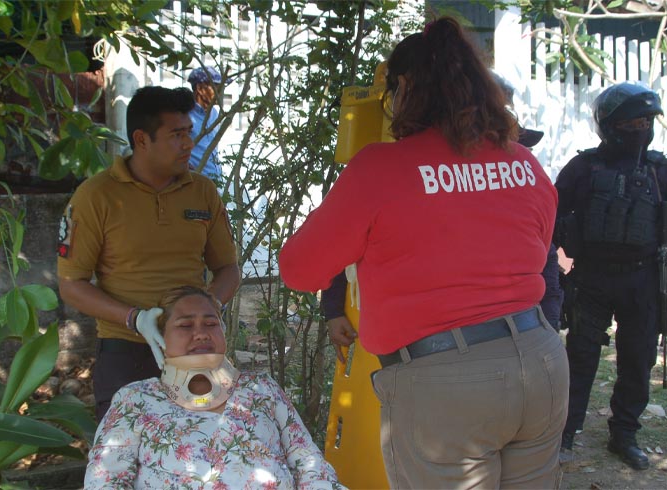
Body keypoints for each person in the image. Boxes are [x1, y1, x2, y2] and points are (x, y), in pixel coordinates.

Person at [280, 17, 568, 489]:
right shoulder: (522, 162)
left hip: (445, 383)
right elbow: (536, 247)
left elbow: (298, 269)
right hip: (540, 361)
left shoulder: (379, 168)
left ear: (406, 87)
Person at [322, 77, 564, 351]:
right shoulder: (416, 187)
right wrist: (333, 309)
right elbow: (348, 243)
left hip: (501, 347)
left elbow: (547, 266)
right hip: (429, 350)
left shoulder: (521, 190)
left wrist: (549, 331)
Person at [57, 86, 241, 421]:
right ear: (142, 140)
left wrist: (210, 307)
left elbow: (228, 267)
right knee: (126, 453)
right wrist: (135, 318)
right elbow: (72, 284)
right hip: (125, 348)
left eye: (189, 132)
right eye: (176, 135)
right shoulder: (96, 197)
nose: (188, 143)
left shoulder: (202, 192)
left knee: (202, 448)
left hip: (194, 350)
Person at [84, 286, 345, 489]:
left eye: (211, 324)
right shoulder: (135, 400)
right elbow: (106, 481)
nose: (201, 333)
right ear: (161, 337)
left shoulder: (262, 389)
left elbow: (310, 466)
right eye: (185, 325)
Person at [554, 81, 666, 470]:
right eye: (634, 121)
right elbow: (547, 216)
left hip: (643, 280)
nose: (642, 128)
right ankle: (565, 434)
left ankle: (625, 435)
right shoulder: (583, 168)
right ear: (612, 124)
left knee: (637, 360)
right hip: (592, 280)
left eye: (648, 121)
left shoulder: (659, 169)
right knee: (580, 359)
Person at [187, 66, 226, 180]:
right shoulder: (185, 116)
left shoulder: (214, 114)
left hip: (216, 181)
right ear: (200, 88)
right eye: (215, 87)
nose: (219, 93)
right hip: (195, 181)